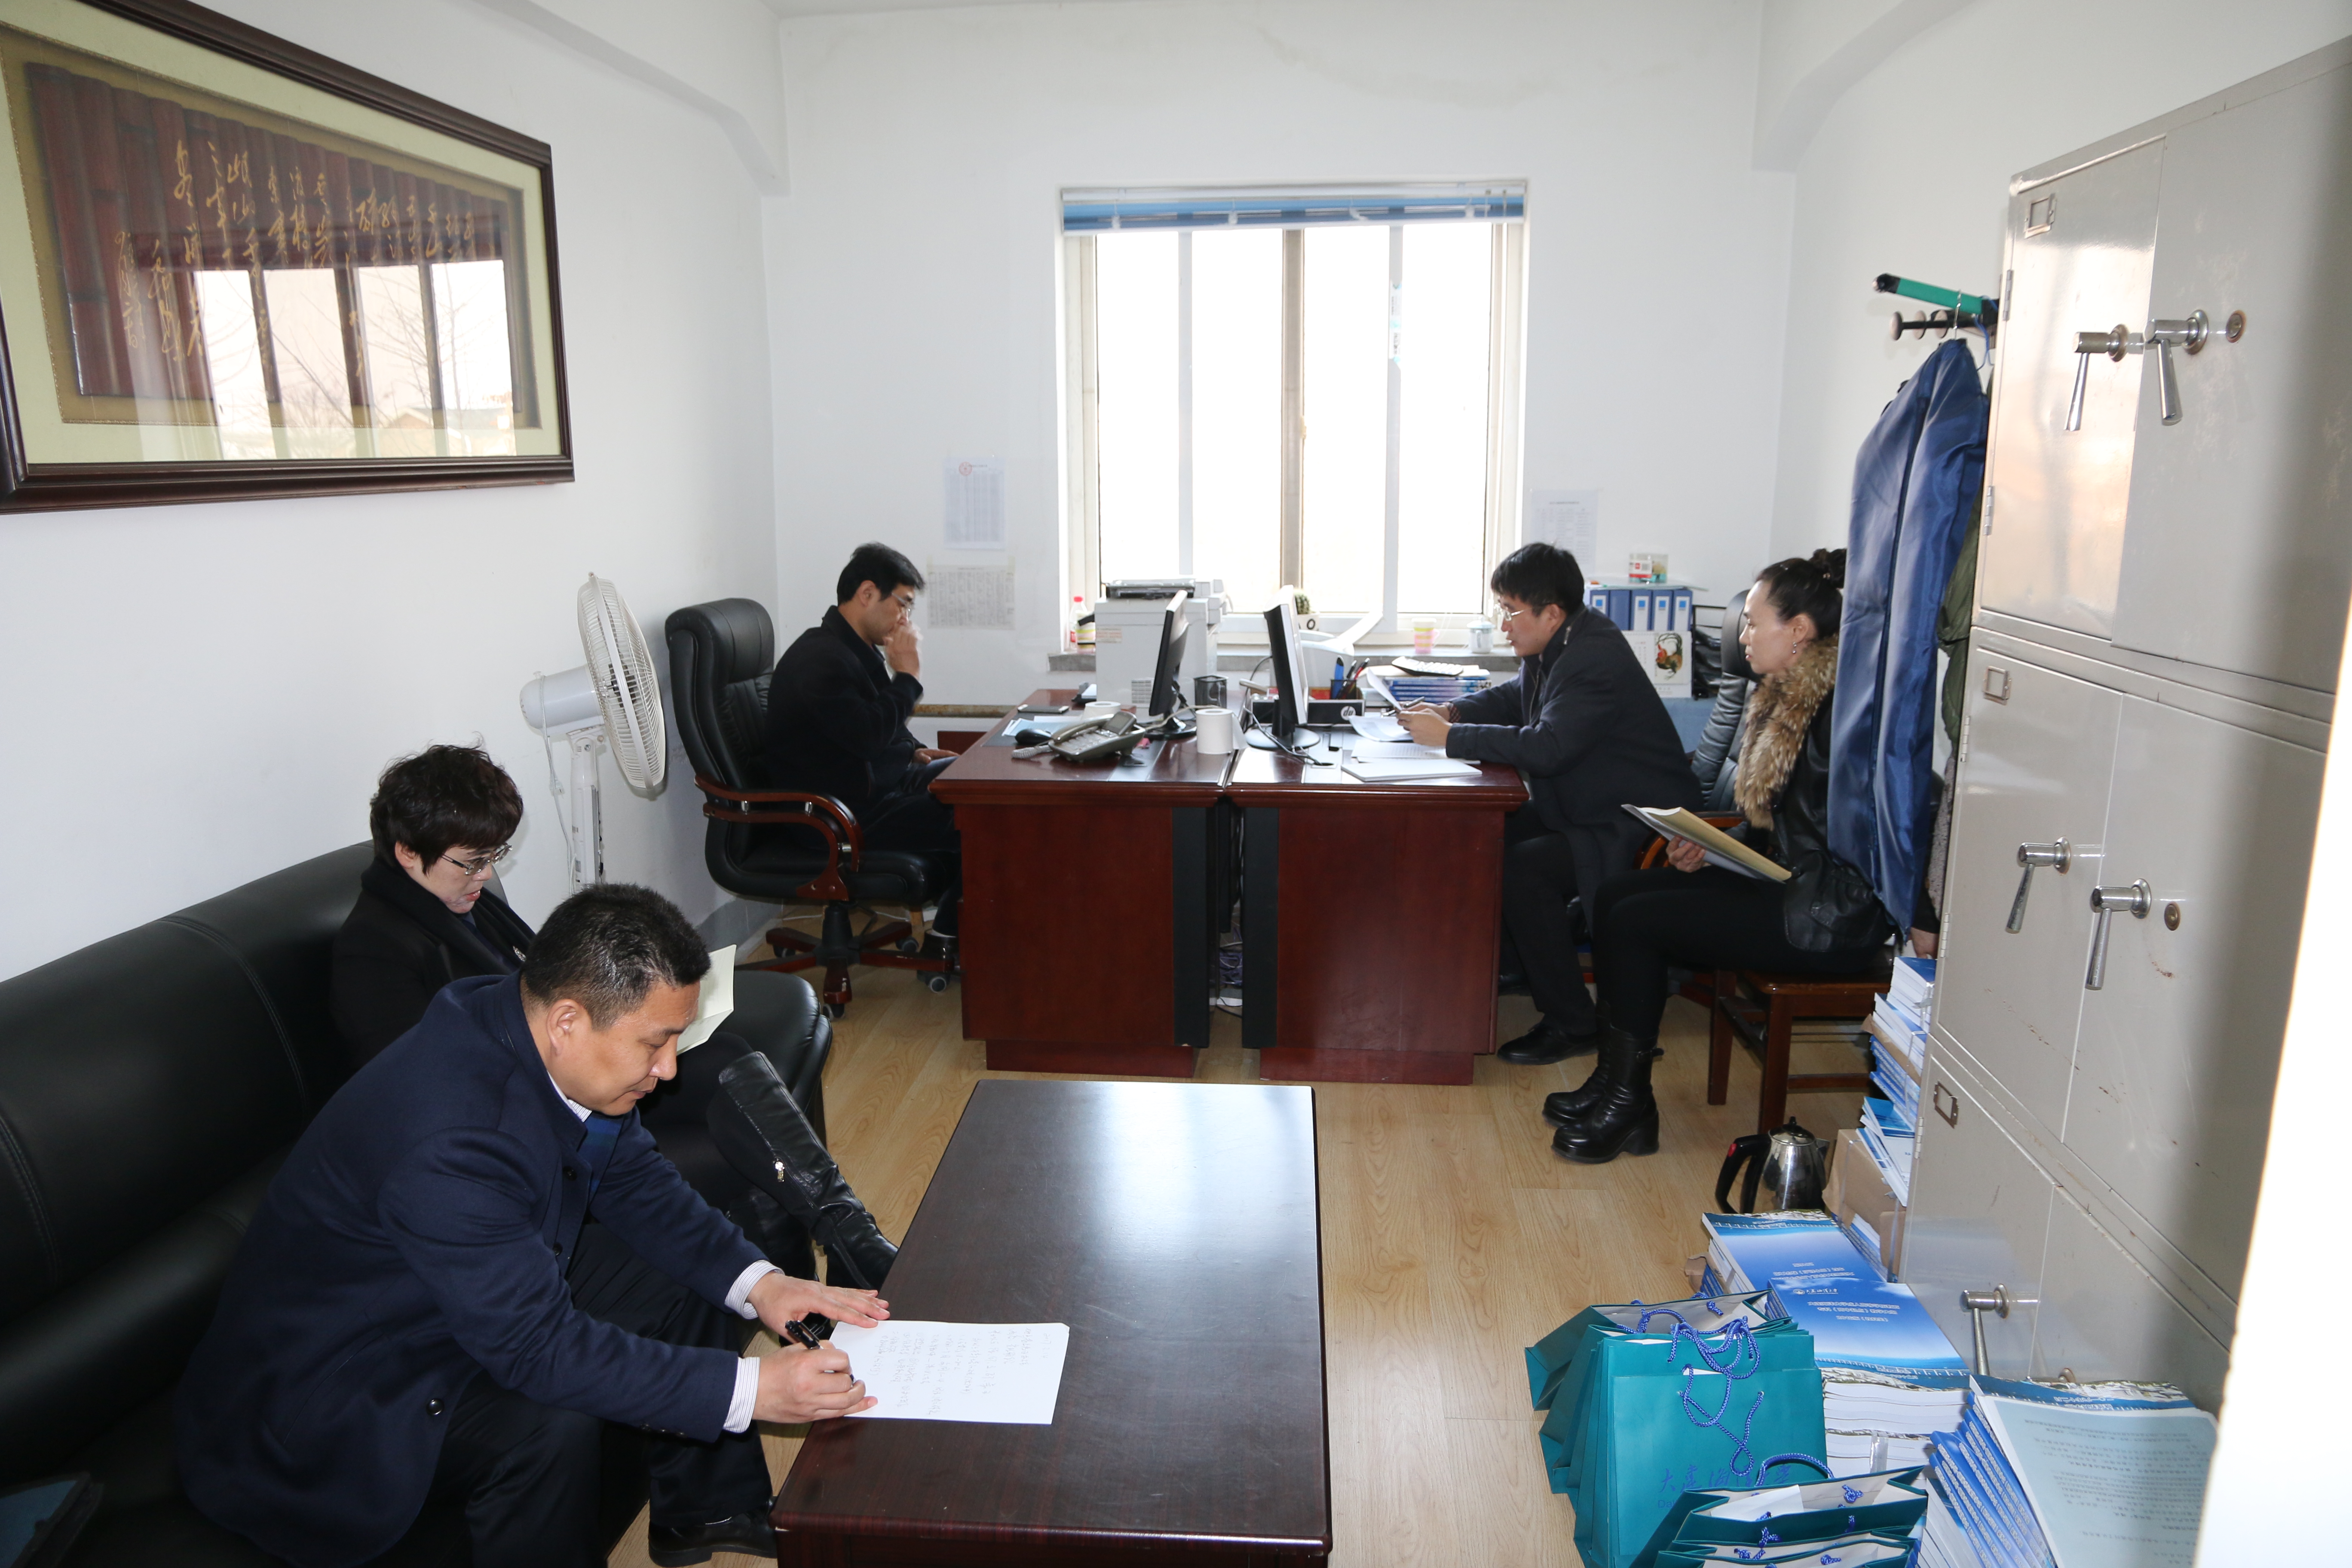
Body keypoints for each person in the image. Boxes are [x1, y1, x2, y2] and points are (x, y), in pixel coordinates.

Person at [179, 885, 888, 1568]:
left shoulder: (525, 1026)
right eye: (656, 1042)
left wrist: (761, 1284)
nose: (669, 1068)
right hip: (339, 1386)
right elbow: (536, 1349)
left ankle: (708, 1508)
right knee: (545, 1423)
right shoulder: (451, 1142)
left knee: (682, 1272)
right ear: (568, 1022)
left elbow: (635, 1180)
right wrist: (749, 1390)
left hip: (454, 1288)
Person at [329, 744, 895, 1287]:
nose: (484, 875)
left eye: (494, 857)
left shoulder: (463, 905)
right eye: (473, 862)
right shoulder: (374, 948)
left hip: (566, 1080)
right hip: (537, 1124)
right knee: (742, 1147)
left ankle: (851, 1238)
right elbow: (419, 1091)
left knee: (729, 1057)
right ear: (408, 853)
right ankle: (813, 1295)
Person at [1553, 549, 1891, 1164]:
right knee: (1617, 894)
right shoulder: (1783, 699)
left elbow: (1856, 842)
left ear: (1799, 632)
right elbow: (1783, 833)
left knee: (1636, 920)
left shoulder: (1839, 719)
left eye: (1755, 623)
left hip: (1824, 918)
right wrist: (1712, 851)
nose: (1743, 635)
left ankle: (1629, 1103)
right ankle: (1615, 1081)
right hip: (1788, 889)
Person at [1400, 543, 1700, 1066]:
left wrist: (1450, 738)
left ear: (1552, 613)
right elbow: (1517, 699)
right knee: (1492, 833)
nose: (1504, 624)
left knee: (1524, 871)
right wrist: (1454, 711)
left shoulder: (1593, 657)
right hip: (1590, 802)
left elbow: (1549, 747)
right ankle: (1519, 966)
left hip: (1637, 818)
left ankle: (1573, 1022)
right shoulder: (1561, 643)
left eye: (1511, 611)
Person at [763, 542, 962, 940]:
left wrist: (913, 750)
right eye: (903, 605)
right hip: (839, 818)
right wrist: (908, 677)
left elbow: (870, 725)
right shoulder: (820, 659)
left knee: (966, 778)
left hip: (870, 791)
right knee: (978, 815)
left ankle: (956, 930)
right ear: (868, 593)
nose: (905, 619)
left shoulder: (851, 650)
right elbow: (868, 737)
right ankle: (947, 939)